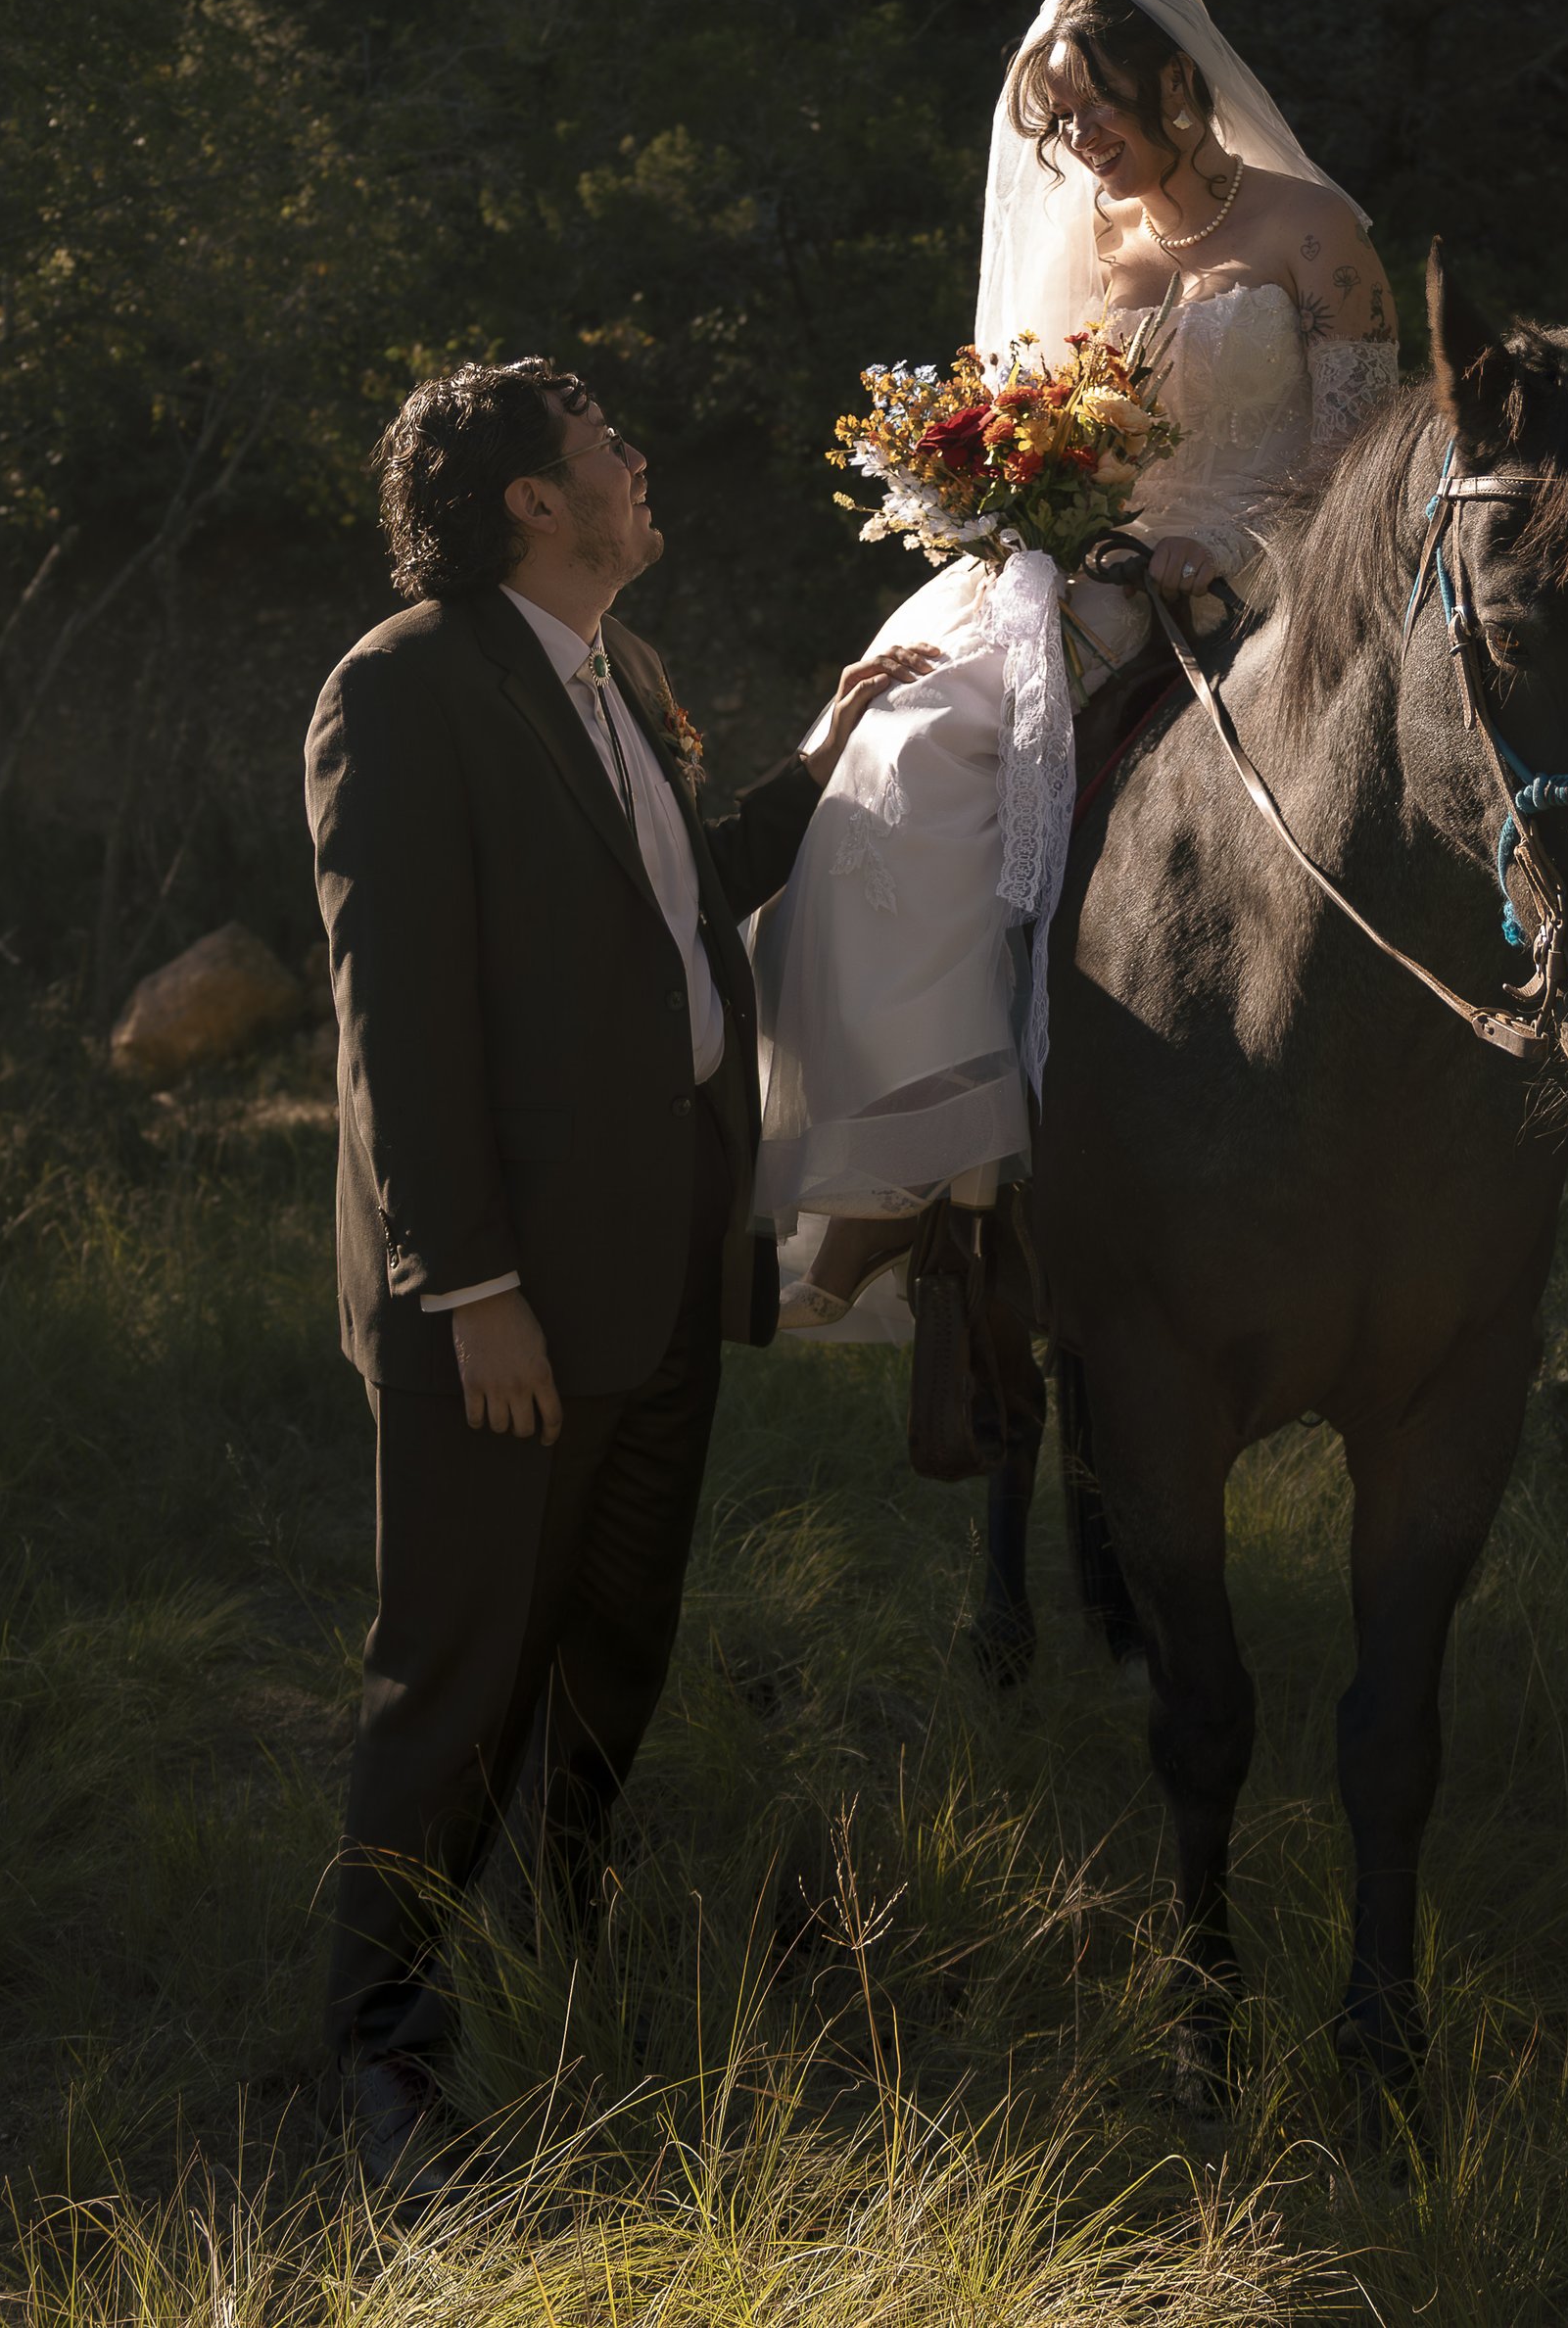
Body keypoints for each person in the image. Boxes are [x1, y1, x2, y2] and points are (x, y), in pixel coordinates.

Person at [306, 357, 931, 2193]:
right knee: (456, 1668)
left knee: (614, 1634)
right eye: (609, 452)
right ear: (528, 499)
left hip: (659, 1259)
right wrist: (469, 1282)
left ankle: (571, 1911)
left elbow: (681, 901)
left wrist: (812, 766)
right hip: (498, 1300)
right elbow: (394, 1022)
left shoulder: (616, 677)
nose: (639, 468)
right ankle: (384, 2053)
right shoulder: (404, 686)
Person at [758, 0, 1397, 1330]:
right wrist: (1005, 487)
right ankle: (919, 1157)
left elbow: (1354, 465)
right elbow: (1045, 414)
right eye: (1059, 116)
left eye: (1098, 105)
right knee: (906, 750)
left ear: (1179, 80)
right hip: (1090, 564)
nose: (1079, 139)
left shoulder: (1314, 232)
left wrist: (1219, 549)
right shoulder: (1092, 241)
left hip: (1265, 568)